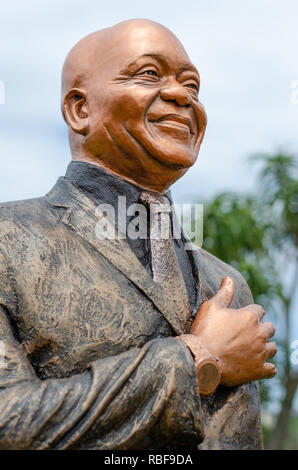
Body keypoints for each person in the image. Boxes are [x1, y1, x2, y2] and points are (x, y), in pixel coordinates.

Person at [0, 19, 276, 450]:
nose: (182, 96)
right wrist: (195, 359)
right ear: (80, 109)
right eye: (149, 74)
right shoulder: (8, 239)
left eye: (192, 85)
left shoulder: (226, 284)